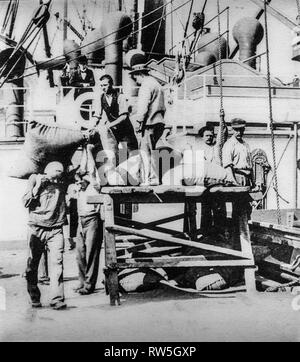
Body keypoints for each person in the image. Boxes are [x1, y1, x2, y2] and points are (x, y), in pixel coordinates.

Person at [22, 161, 69, 310]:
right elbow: (25, 202)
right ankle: (34, 297)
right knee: (32, 265)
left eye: (60, 175)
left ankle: (57, 299)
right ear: (48, 171)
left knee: (57, 264)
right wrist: (37, 187)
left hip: (56, 229)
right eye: (56, 174)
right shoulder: (35, 178)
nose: (57, 180)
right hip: (36, 228)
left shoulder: (64, 181)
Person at [129, 64, 166, 186]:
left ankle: (150, 179)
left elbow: (143, 107)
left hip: (149, 123)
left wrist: (139, 123)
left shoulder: (146, 85)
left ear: (140, 74)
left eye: (136, 78)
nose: (136, 81)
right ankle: (154, 178)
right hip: (159, 121)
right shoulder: (157, 84)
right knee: (153, 152)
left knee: (146, 152)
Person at [92, 74, 138, 155]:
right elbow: (97, 114)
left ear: (111, 84)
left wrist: (108, 125)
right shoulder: (101, 97)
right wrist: (92, 125)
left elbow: (123, 117)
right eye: (101, 85)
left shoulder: (120, 97)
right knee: (121, 157)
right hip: (115, 132)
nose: (103, 87)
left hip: (126, 131)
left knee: (132, 156)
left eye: (105, 85)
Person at [74, 172, 103, 295]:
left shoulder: (93, 186)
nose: (79, 184)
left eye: (81, 181)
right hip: (81, 221)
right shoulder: (79, 189)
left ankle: (89, 285)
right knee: (80, 253)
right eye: (77, 182)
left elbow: (92, 176)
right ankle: (82, 281)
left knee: (91, 254)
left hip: (92, 219)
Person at [222, 118, 255, 187]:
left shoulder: (246, 145)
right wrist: (233, 182)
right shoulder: (229, 144)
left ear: (244, 130)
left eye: (241, 130)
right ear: (232, 130)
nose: (239, 132)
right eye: (236, 130)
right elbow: (227, 166)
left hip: (247, 179)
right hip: (237, 178)